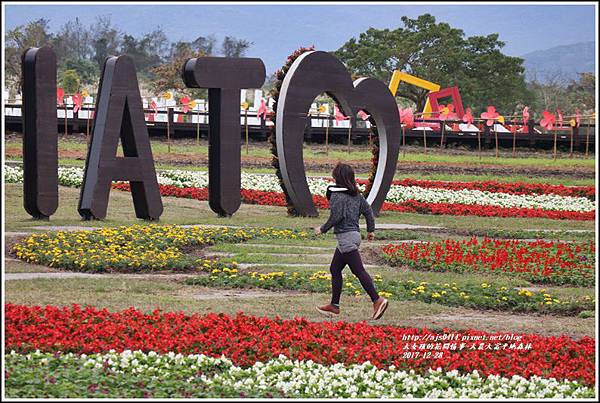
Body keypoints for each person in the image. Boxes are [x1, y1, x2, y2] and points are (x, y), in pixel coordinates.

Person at [314, 162, 389, 320]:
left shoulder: (336, 195)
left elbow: (337, 216)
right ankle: (334, 305)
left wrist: (322, 228)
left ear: (337, 178)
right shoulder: (357, 195)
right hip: (354, 235)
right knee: (335, 269)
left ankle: (377, 300)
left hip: (346, 237)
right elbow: (368, 211)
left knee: (358, 271)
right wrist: (370, 231)